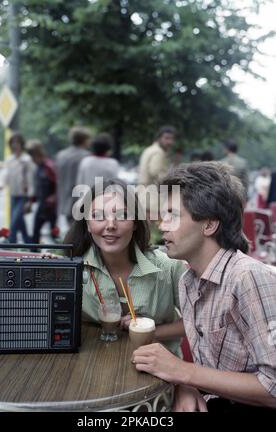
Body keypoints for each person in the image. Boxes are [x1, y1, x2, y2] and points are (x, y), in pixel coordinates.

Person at [132, 162, 276, 412]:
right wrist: (184, 385)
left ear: (209, 225)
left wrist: (182, 372)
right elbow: (206, 372)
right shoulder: (189, 281)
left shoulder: (247, 278)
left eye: (172, 215)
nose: (161, 224)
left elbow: (273, 387)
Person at [64, 178, 186, 355]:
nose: (111, 225)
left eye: (121, 216)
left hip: (161, 373)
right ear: (87, 224)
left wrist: (147, 330)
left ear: (135, 222)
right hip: (94, 367)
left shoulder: (169, 267)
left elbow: (196, 322)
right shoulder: (74, 269)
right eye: (99, 216)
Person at [0, 132, 35, 243]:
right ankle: (29, 243)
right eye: (12, 142)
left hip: (24, 196)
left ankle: (10, 239)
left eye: (17, 142)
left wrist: (30, 200)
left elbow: (31, 180)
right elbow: (5, 175)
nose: (15, 145)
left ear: (22, 144)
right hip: (13, 195)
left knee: (15, 219)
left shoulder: (27, 160)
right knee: (20, 221)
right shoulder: (10, 159)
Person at [55, 126, 91, 226]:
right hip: (81, 199)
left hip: (64, 199)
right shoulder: (87, 157)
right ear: (84, 140)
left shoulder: (61, 155)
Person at [26, 139, 57, 245]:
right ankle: (33, 257)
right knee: (35, 232)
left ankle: (62, 256)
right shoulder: (38, 167)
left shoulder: (49, 166)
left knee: (54, 234)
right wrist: (30, 202)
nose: (31, 159)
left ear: (37, 153)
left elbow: (58, 184)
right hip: (42, 205)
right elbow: (37, 187)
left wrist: (54, 197)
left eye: (32, 156)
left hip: (51, 207)